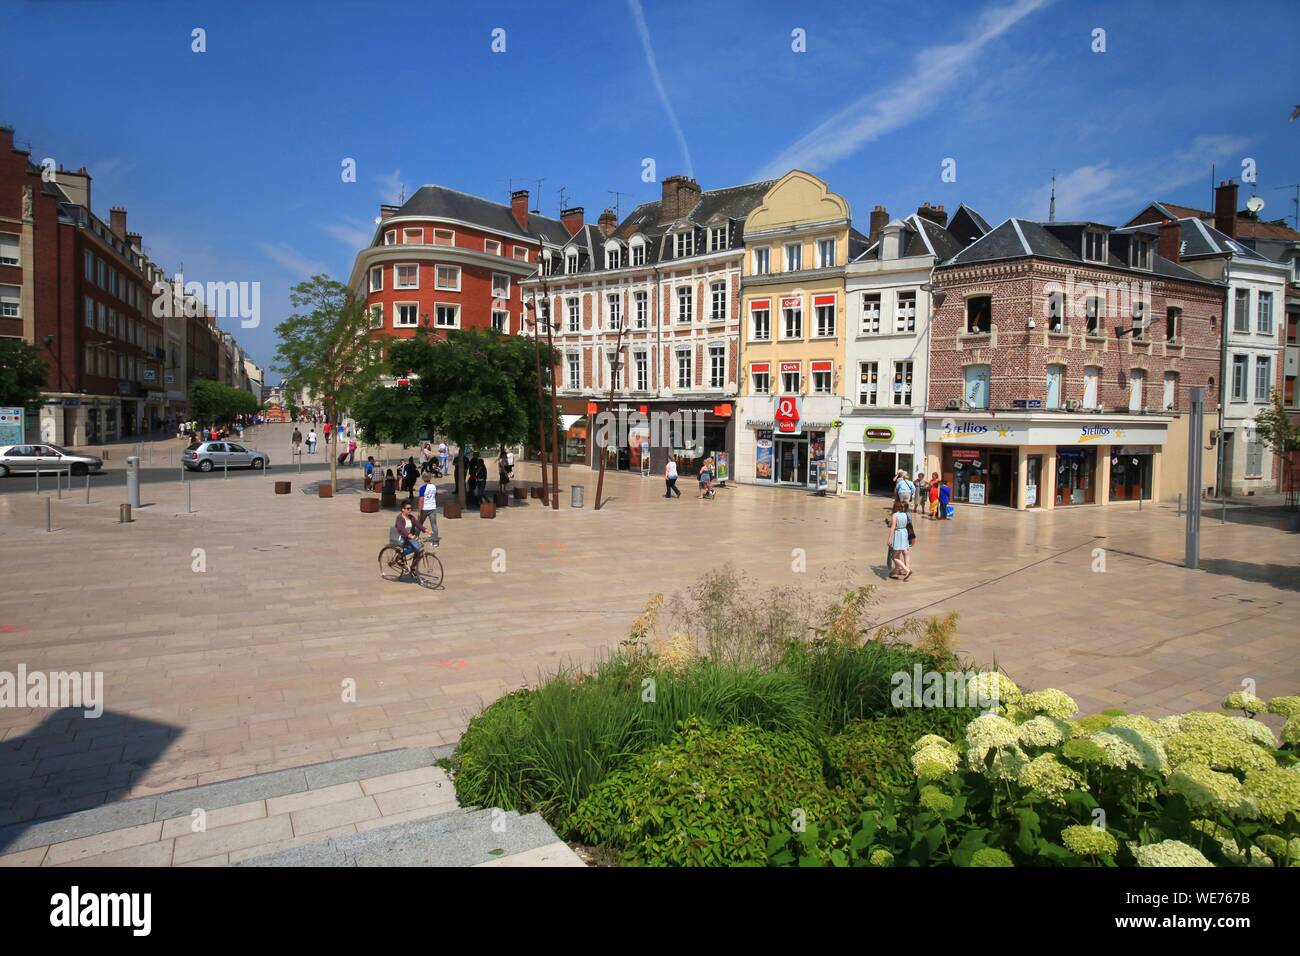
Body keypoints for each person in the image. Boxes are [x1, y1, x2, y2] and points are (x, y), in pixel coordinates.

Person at [393, 501, 427, 580]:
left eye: (411, 508)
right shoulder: (400, 518)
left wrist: (425, 530)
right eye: (408, 508)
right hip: (401, 537)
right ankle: (399, 557)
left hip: (409, 538)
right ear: (403, 509)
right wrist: (409, 535)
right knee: (415, 548)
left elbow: (417, 524)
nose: (410, 510)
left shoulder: (411, 517)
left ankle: (412, 568)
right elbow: (401, 529)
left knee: (418, 549)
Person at [888, 500, 913, 581]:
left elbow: (893, 527)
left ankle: (907, 570)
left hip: (898, 534)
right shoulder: (905, 514)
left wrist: (889, 539)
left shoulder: (895, 515)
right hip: (904, 533)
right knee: (903, 552)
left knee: (894, 556)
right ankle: (899, 571)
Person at [417, 473, 440, 547]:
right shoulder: (434, 486)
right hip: (432, 508)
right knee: (434, 525)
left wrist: (419, 511)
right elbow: (436, 494)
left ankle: (415, 539)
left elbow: (421, 500)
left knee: (419, 524)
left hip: (425, 508)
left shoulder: (422, 488)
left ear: (423, 479)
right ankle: (435, 542)